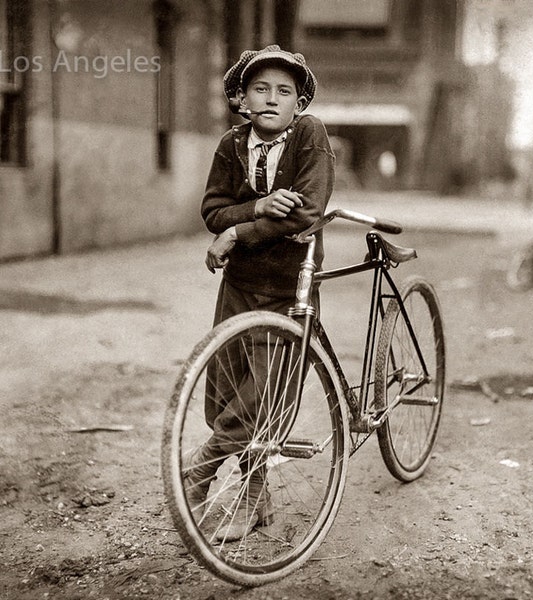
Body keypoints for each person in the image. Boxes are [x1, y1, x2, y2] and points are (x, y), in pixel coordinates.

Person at [186, 45, 335, 541]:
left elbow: (308, 210)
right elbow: (212, 210)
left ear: (299, 102)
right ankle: (259, 495)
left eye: (284, 91)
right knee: (226, 387)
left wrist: (238, 233)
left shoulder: (309, 136)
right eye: (261, 89)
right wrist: (259, 207)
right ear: (242, 98)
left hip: (289, 283)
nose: (271, 99)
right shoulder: (232, 146)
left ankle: (203, 471)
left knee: (264, 393)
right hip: (239, 284)